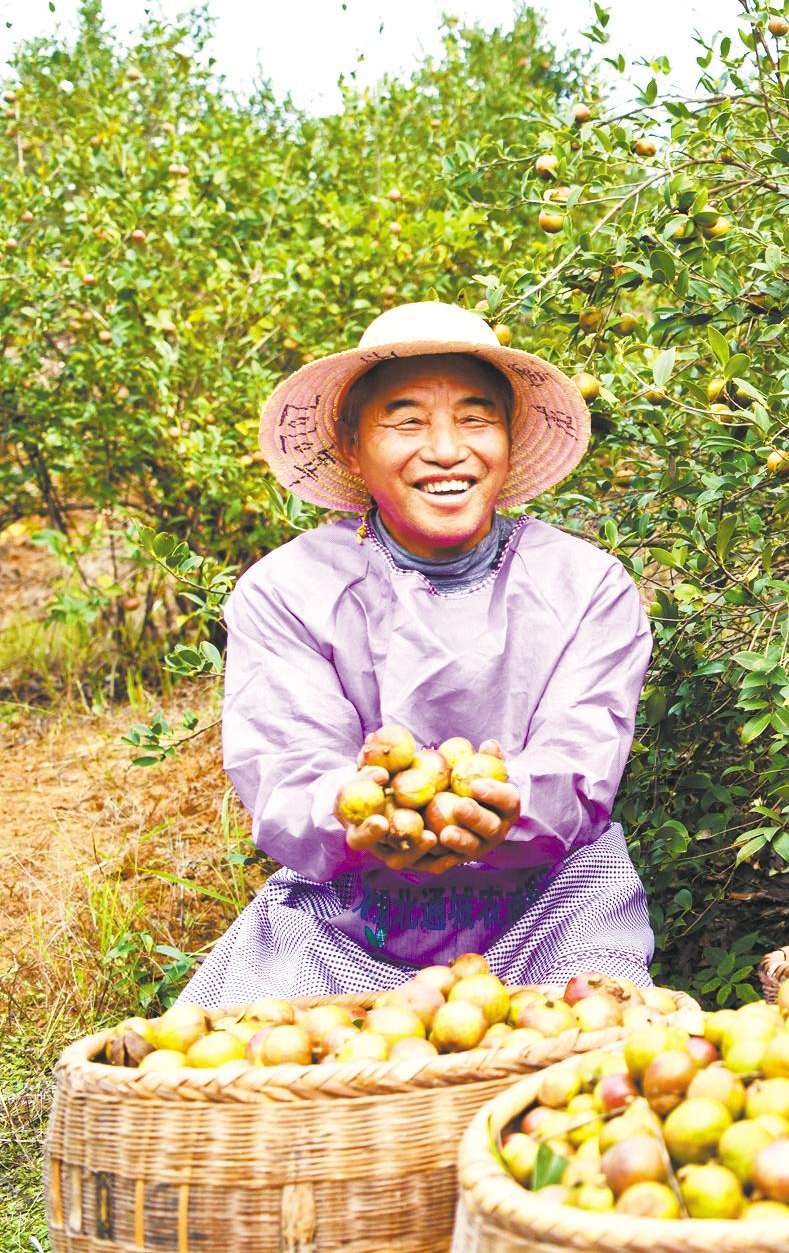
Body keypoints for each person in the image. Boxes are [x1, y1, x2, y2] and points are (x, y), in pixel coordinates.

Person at [179, 301, 654, 1006]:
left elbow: (580, 767)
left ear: (508, 436)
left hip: (553, 903)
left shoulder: (587, 586)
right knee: (262, 1081)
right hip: (347, 922)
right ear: (351, 445)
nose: (445, 449)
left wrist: (505, 808)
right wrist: (361, 819)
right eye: (406, 421)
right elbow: (289, 775)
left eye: (474, 417)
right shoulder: (287, 591)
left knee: (595, 1062)